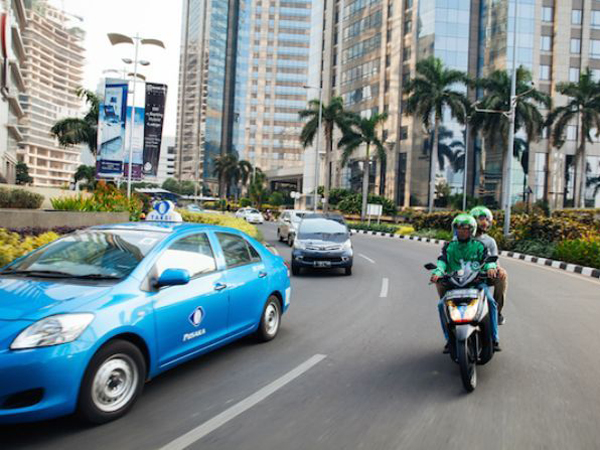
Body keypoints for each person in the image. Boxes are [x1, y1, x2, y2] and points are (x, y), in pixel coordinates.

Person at [430, 214, 501, 352]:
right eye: (459, 228)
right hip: (454, 286)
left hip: (477, 284)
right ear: (454, 230)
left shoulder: (479, 246)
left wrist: (491, 268)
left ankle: (494, 338)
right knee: (441, 305)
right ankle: (449, 339)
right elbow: (442, 261)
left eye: (465, 228)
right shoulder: (449, 247)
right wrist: (438, 272)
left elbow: (487, 260)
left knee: (491, 302)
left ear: (472, 230)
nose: (462, 231)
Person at [470, 206, 508, 325]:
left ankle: (497, 311)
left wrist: (498, 269)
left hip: (485, 275)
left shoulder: (490, 241)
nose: (485, 223)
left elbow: (494, 261)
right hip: (464, 276)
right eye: (481, 219)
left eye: (487, 220)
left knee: (502, 276)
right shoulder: (462, 238)